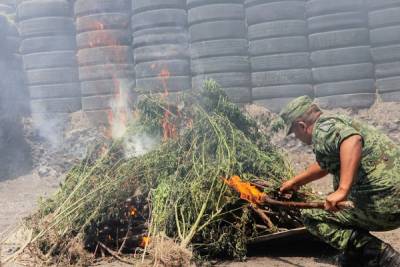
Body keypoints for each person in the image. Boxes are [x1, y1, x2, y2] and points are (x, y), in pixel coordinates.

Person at [278, 96, 400, 267]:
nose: (295, 137)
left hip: (386, 204)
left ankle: (381, 256)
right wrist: (295, 181)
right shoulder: (332, 123)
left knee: (311, 216)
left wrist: (342, 190)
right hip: (392, 197)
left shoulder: (323, 131)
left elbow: (352, 141)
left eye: (294, 132)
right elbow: (325, 164)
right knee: (335, 197)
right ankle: (354, 255)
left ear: (301, 126)